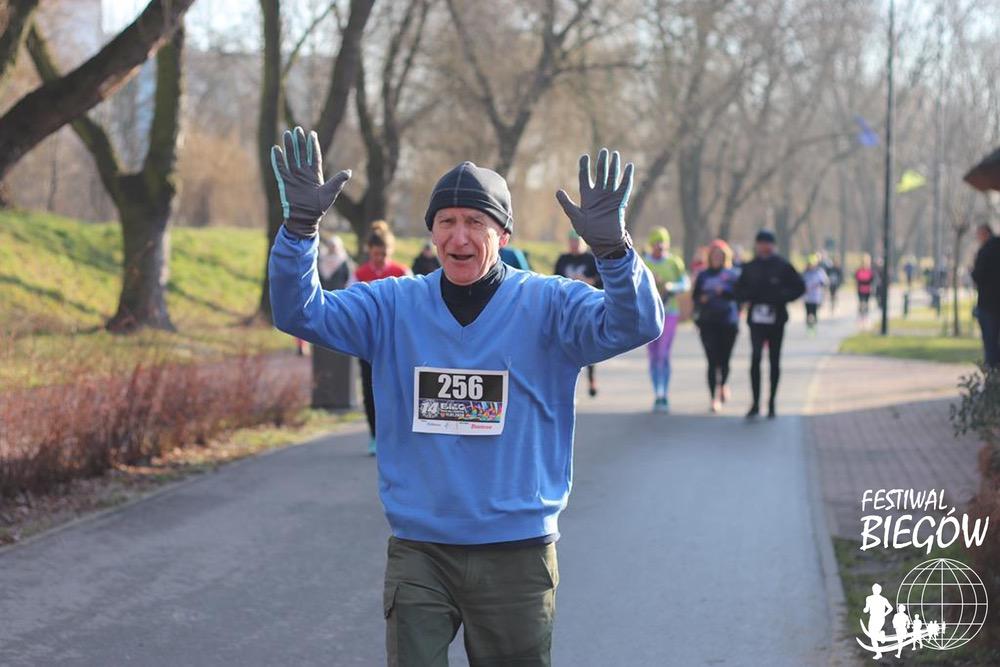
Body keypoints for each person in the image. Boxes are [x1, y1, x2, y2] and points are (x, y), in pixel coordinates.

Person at [267, 128, 663, 666]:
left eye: (476, 222)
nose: (459, 236)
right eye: (446, 222)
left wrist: (615, 252)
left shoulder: (549, 306)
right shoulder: (392, 306)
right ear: (431, 233)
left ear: (503, 233)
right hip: (421, 550)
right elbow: (300, 312)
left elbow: (637, 323)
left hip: (517, 552)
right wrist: (299, 229)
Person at [734, 229, 804, 419]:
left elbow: (799, 286)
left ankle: (772, 402)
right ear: (757, 245)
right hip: (756, 320)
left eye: (768, 243)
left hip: (777, 318)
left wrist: (782, 297)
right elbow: (738, 289)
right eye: (761, 243)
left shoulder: (783, 266)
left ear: (773, 245)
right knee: (756, 358)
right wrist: (747, 297)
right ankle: (755, 403)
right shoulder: (750, 267)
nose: (764, 247)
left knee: (774, 360)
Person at [355, 221, 412, 455]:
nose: (380, 258)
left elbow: (414, 306)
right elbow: (352, 306)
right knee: (370, 391)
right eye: (376, 254)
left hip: (396, 342)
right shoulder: (359, 274)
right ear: (369, 251)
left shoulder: (402, 273)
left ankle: (398, 436)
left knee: (397, 389)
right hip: (368, 343)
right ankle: (374, 435)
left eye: (384, 254)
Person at [643, 226, 689, 413]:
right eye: (656, 243)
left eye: (663, 243)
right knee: (653, 355)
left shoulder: (673, 262)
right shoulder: (644, 263)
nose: (660, 246)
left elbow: (685, 283)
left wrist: (672, 286)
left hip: (669, 312)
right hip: (648, 314)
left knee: (663, 354)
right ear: (651, 244)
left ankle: (664, 393)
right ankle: (657, 393)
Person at [692, 239, 740, 413]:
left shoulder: (732, 275)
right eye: (714, 255)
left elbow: (739, 295)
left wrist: (724, 292)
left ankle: (723, 384)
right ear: (709, 257)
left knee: (725, 360)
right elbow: (695, 297)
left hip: (728, 322)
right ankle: (714, 398)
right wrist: (701, 300)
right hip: (708, 322)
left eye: (720, 255)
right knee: (712, 361)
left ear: (725, 257)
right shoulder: (703, 275)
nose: (717, 258)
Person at [553, 230, 602, 397]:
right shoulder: (563, 259)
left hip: (586, 308)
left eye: (577, 241)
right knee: (565, 347)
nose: (574, 245)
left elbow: (601, 282)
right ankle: (566, 385)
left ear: (583, 243)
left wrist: (587, 281)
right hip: (565, 308)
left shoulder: (591, 259)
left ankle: (591, 378)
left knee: (588, 343)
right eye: (572, 241)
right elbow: (553, 281)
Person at [971, 222, 1000, 367]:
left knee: (990, 344)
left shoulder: (985, 251)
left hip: (987, 304)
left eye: (979, 234)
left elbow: (977, 275)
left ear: (985, 233)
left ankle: (992, 374)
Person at [863, 583, 894, 659]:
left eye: (876, 589)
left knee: (873, 636)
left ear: (879, 590)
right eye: (874, 589)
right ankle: (878, 652)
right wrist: (884, 614)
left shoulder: (881, 599)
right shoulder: (870, 598)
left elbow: (890, 608)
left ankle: (881, 635)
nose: (875, 590)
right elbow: (866, 609)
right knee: (872, 636)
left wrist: (884, 614)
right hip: (874, 618)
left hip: (878, 618)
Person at [802, 254, 829, 335]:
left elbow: (825, 282)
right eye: (809, 264)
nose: (811, 266)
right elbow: (801, 282)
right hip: (807, 297)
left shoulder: (819, 272)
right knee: (808, 313)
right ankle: (808, 327)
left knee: (814, 313)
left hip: (816, 297)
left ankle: (813, 327)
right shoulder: (805, 272)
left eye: (812, 264)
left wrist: (819, 285)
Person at [855, 253, 876, 326]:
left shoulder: (870, 271)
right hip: (861, 289)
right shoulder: (859, 270)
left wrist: (872, 288)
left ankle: (866, 317)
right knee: (861, 303)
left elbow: (872, 280)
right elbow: (857, 279)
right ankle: (860, 317)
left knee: (866, 304)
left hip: (867, 289)